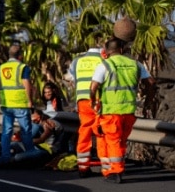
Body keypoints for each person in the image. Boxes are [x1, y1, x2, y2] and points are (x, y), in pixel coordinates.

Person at [89, 38, 156, 183]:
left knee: (112, 141)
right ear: (121, 49)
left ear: (107, 51)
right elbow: (151, 82)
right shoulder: (135, 64)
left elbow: (93, 87)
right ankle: (109, 170)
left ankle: (116, 171)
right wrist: (148, 101)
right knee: (121, 141)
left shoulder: (105, 65)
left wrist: (93, 102)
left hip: (110, 112)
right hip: (129, 111)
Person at [67, 39, 107, 177]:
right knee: (100, 131)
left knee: (84, 131)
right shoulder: (104, 59)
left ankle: (83, 166)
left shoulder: (77, 61)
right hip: (98, 100)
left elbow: (71, 79)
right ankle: (106, 167)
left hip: (82, 101)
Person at [0, 42, 36, 159]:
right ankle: (30, 154)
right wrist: (30, 100)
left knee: (7, 131)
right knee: (25, 131)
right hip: (20, 103)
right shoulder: (22, 67)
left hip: (6, 104)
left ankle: (5, 155)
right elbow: (26, 84)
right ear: (20, 55)